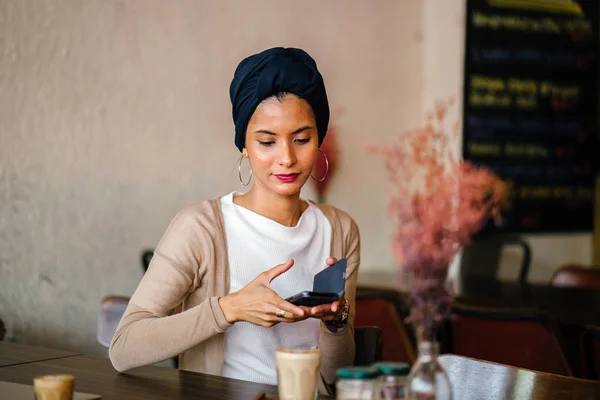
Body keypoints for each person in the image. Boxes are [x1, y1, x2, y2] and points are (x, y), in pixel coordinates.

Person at [109, 47, 360, 394]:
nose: (286, 158)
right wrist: (231, 308)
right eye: (267, 141)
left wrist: (336, 324)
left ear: (319, 140)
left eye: (302, 139)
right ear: (244, 144)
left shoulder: (340, 230)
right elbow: (123, 347)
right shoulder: (202, 228)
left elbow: (336, 376)